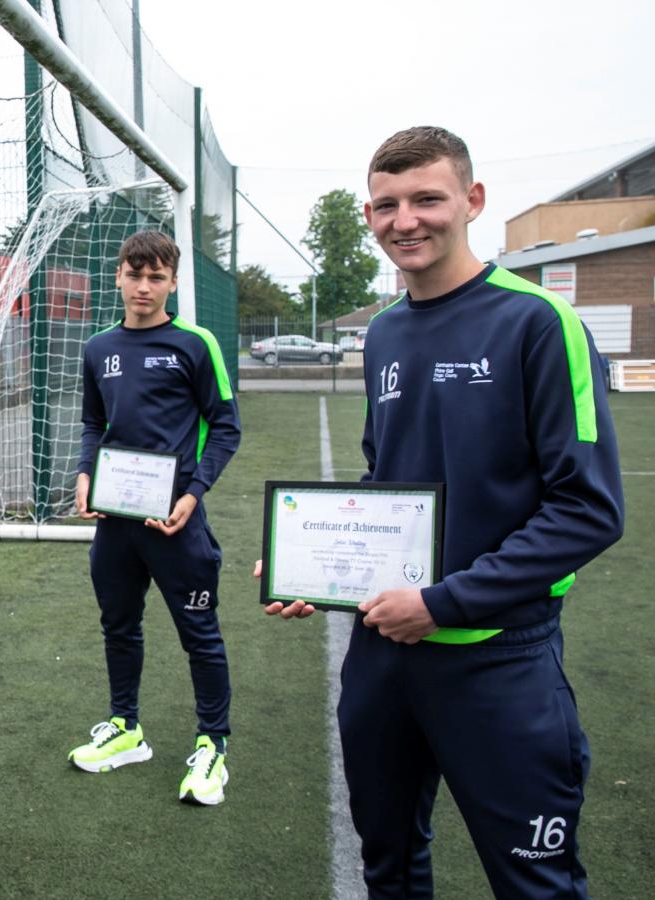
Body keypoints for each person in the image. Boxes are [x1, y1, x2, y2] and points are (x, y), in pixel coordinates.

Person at [265, 125, 624, 897]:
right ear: (369, 214)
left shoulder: (536, 322)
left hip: (499, 657)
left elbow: (588, 509)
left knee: (536, 885)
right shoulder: (385, 333)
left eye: (428, 198)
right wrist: (315, 564)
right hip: (384, 655)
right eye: (387, 204)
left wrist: (442, 602)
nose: (407, 220)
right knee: (388, 865)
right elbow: (384, 478)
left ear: (472, 200)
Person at [67, 230, 241, 805]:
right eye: (134, 275)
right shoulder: (98, 348)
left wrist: (192, 494)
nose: (144, 287)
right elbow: (95, 423)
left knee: (200, 635)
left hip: (176, 523)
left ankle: (212, 744)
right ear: (118, 276)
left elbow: (225, 426)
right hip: (115, 522)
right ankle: (126, 729)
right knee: (119, 626)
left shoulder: (194, 343)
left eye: (156, 277)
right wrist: (86, 473)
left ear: (171, 282)